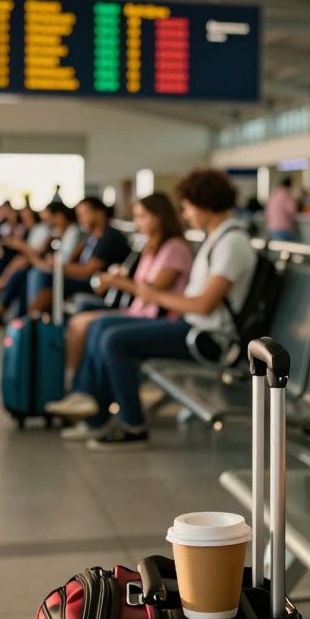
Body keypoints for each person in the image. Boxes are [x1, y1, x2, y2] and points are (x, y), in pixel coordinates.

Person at [48, 169, 256, 450]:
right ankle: (93, 412)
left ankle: (132, 425)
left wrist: (152, 294)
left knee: (114, 339)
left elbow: (204, 303)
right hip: (193, 327)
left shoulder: (231, 243)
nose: (185, 215)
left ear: (204, 204)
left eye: (187, 207)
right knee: (101, 327)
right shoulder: (218, 238)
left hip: (208, 339)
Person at [45, 193, 193, 415]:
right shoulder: (152, 247)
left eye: (142, 216)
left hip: (157, 317)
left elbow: (153, 294)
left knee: (100, 330)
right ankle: (82, 392)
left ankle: (89, 396)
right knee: (88, 323)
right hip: (140, 311)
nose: (138, 223)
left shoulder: (174, 249)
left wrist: (118, 281)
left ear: (159, 217)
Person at [25, 196, 130, 318]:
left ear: (100, 213)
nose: (80, 219)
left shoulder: (109, 237)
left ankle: (29, 324)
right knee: (39, 277)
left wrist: (57, 266)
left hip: (97, 284)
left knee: (42, 276)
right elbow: (72, 258)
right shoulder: (91, 236)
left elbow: (88, 271)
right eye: (78, 215)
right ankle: (32, 322)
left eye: (85, 213)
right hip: (85, 280)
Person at [0, 204, 80, 324]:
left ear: (60, 216)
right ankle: (20, 319)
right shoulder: (54, 232)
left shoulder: (70, 232)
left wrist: (28, 252)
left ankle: (23, 320)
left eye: (49, 217)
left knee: (31, 272)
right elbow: (41, 252)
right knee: (22, 274)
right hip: (48, 266)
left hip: (56, 269)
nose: (47, 220)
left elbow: (61, 260)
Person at [265, 177, 299, 242]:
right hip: (284, 228)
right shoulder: (286, 195)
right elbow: (292, 210)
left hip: (272, 228)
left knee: (278, 249)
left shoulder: (274, 195)